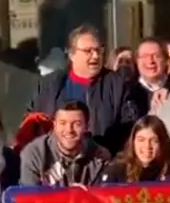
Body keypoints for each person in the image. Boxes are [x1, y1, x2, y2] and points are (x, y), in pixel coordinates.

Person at [28, 24, 137, 154]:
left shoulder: (118, 85)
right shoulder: (49, 86)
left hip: (104, 162)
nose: (95, 56)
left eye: (98, 50)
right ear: (72, 54)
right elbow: (32, 125)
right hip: (55, 165)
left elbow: (130, 129)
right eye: (88, 51)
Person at [20, 101, 111, 187]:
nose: (69, 130)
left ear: (87, 127)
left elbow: (104, 199)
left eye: (77, 124)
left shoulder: (100, 158)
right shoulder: (34, 154)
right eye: (62, 123)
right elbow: (28, 199)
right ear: (54, 125)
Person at [133, 37, 170, 115]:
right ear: (137, 61)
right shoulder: (128, 90)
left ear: (166, 60)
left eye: (156, 56)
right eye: (145, 56)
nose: (150, 61)